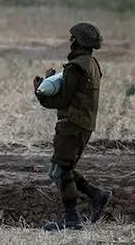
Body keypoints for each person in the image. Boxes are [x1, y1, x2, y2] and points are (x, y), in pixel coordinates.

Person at [34, 22, 112, 231]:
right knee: (58, 169)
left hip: (73, 124)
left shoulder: (76, 66)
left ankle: (72, 220)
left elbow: (62, 99)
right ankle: (96, 195)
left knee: (61, 170)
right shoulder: (92, 63)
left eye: (72, 38)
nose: (70, 41)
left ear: (79, 41)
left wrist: (41, 94)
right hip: (84, 124)